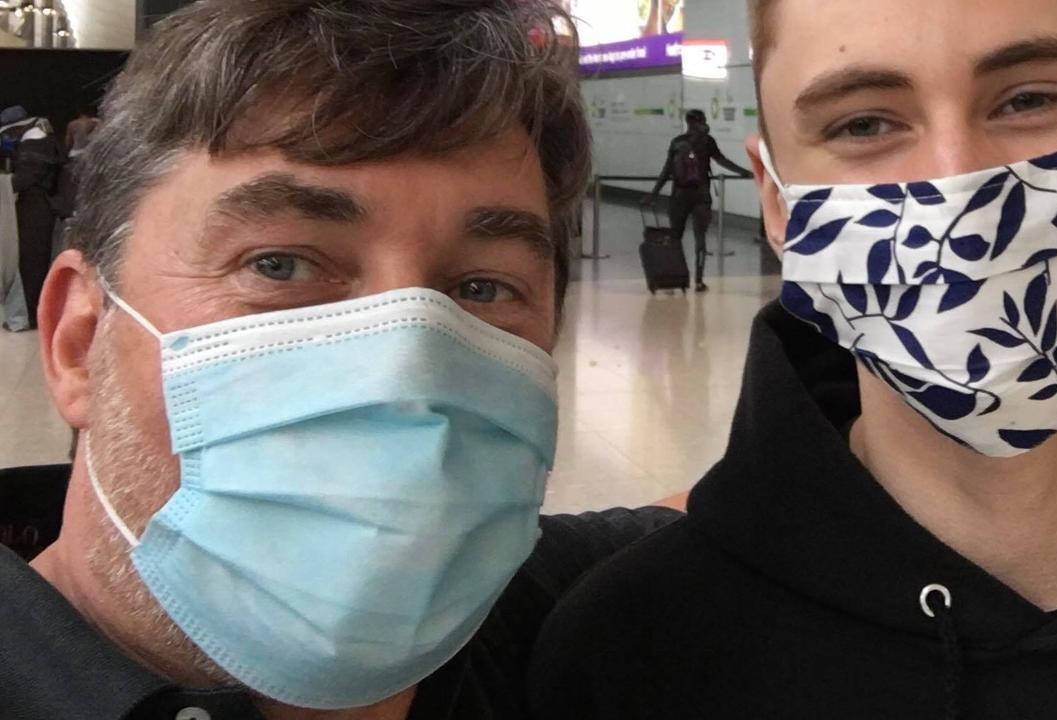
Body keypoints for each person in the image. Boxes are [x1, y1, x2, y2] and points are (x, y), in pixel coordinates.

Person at [529, 1, 1057, 718]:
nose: (959, 192)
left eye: (1028, 101)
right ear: (780, 203)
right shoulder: (638, 654)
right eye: (863, 123)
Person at [0, 1, 683, 719]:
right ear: (77, 343)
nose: (405, 372)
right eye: (281, 265)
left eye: (482, 288)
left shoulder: (575, 631)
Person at [646, 109, 751, 293]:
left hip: (679, 196)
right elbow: (722, 161)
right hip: (701, 195)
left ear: (687, 122)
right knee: (700, 239)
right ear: (701, 121)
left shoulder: (677, 142)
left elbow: (667, 171)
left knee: (675, 238)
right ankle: (699, 281)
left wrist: (654, 194)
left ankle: (674, 277)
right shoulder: (707, 141)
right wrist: (744, 172)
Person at [10, 112, 60, 329]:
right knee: (39, 260)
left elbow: (23, 180)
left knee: (30, 262)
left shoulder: (32, 145)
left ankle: (30, 315)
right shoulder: (47, 142)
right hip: (45, 210)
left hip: (33, 211)